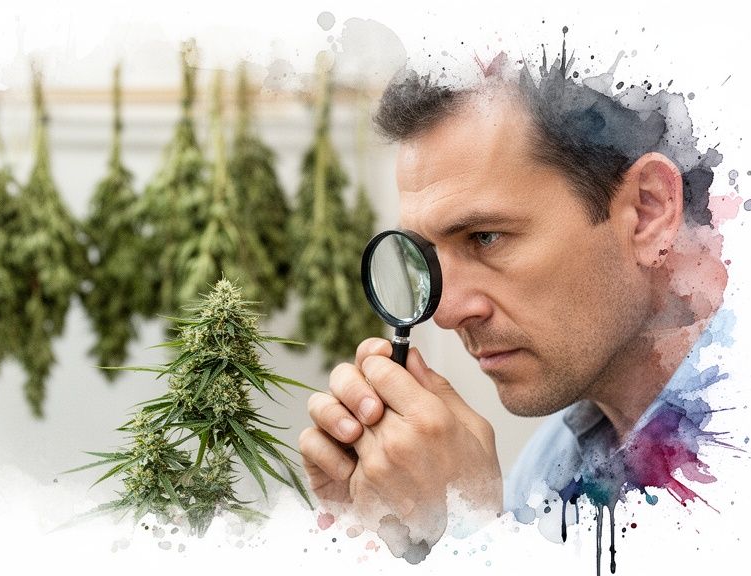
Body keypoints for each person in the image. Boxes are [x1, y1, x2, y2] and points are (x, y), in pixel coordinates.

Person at [298, 49, 729, 563]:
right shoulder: (552, 469)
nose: (447, 312)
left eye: (485, 237)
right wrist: (396, 546)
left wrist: (469, 534)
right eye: (429, 255)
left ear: (647, 211)